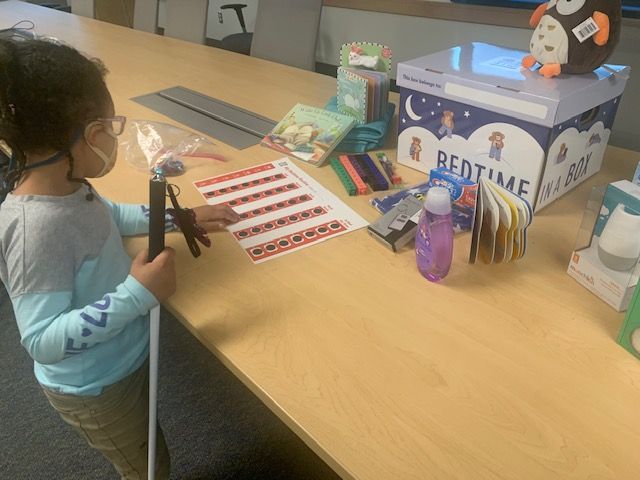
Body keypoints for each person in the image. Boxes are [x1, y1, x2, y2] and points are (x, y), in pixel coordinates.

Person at [0, 38, 239, 479]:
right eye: (111, 127)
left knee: (149, 445)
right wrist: (138, 292)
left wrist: (179, 215)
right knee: (147, 466)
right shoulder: (37, 231)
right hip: (95, 385)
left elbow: (111, 216)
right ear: (91, 135)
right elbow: (42, 341)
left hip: (118, 356)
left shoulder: (67, 185)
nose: (114, 136)